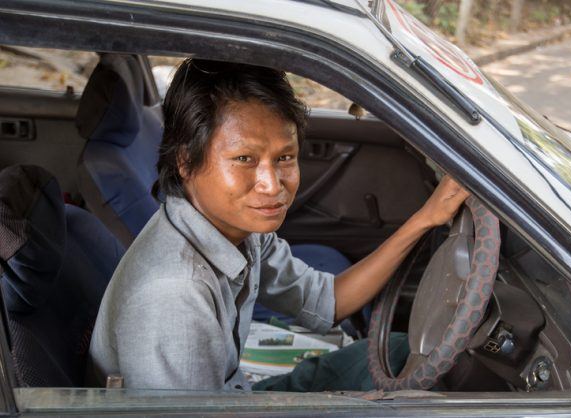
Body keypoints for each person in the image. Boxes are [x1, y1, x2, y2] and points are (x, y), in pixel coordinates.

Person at [87, 58, 469, 391]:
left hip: (234, 396)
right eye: (244, 159)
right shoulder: (175, 295)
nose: (273, 186)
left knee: (400, 351)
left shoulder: (238, 231)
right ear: (186, 162)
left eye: (285, 157)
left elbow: (325, 301)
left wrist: (425, 219)